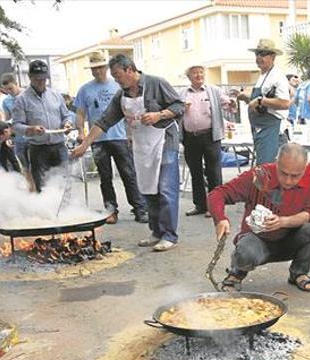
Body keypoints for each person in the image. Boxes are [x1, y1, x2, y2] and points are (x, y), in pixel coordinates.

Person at [70, 54, 185, 252]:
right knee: (149, 189)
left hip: (164, 141)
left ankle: (169, 235)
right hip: (142, 144)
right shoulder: (121, 95)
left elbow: (179, 105)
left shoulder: (156, 83)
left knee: (166, 189)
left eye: (118, 75)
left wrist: (160, 114)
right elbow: (104, 122)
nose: (116, 80)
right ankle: (156, 232)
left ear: (130, 70)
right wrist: (85, 144)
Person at [209, 143, 310, 292]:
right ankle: (237, 272)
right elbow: (217, 194)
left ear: (304, 168)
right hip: (257, 240)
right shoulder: (259, 175)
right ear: (276, 163)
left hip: (290, 239)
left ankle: (299, 272)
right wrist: (220, 218)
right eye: (284, 173)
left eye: (295, 176)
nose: (289, 181)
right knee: (246, 254)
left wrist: (284, 221)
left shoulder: (309, 173)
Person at [75, 52, 148, 224]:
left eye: (100, 67)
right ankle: (111, 210)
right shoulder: (85, 89)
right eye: (94, 68)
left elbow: (131, 110)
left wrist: (131, 133)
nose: (98, 71)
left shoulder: (118, 86)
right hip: (98, 140)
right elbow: (80, 113)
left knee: (128, 174)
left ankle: (140, 208)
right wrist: (80, 131)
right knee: (105, 176)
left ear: (106, 68)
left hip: (120, 136)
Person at [11, 60, 74, 192]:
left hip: (59, 145)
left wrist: (67, 124)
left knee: (64, 182)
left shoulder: (56, 95)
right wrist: (30, 129)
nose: (41, 82)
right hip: (38, 148)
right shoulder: (22, 99)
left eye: (44, 79)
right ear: (30, 77)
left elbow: (66, 116)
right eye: (37, 79)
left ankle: (67, 211)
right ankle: (47, 211)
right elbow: (16, 125)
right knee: (43, 185)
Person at [179, 65, 233, 217]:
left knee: (214, 172)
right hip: (190, 137)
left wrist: (231, 103)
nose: (199, 75)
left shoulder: (213, 90)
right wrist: (181, 108)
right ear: (189, 77)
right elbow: (175, 110)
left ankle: (215, 206)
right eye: (195, 73)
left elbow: (226, 104)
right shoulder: (182, 93)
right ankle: (200, 205)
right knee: (195, 172)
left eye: (201, 72)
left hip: (210, 136)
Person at [231, 39, 291, 165]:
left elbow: (285, 103)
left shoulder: (277, 76)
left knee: (267, 171)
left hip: (272, 131)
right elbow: (258, 102)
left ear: (273, 56)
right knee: (264, 171)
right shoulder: (263, 75)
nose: (259, 57)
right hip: (261, 130)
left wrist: (260, 100)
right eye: (257, 54)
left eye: (263, 54)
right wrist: (245, 98)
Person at [0, 72, 29, 171]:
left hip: (32, 137)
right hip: (18, 139)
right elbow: (8, 119)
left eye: (11, 88)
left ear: (16, 83)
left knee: (36, 166)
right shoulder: (6, 101)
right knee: (24, 167)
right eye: (6, 90)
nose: (9, 92)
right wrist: (9, 136)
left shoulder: (28, 95)